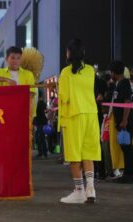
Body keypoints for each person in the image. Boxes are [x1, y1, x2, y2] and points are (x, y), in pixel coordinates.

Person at [58, 38, 101, 204]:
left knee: (74, 155)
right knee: (88, 153)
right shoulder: (90, 70)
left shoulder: (66, 73)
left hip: (73, 116)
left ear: (69, 53)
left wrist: (58, 88)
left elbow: (65, 97)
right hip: (90, 114)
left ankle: (79, 191)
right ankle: (91, 189)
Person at [109, 61, 133, 184]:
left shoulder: (124, 84)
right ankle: (127, 173)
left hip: (125, 123)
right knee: (125, 148)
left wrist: (124, 120)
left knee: (127, 148)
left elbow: (127, 102)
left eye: (111, 72)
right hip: (121, 123)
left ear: (114, 72)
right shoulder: (120, 84)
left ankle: (129, 175)